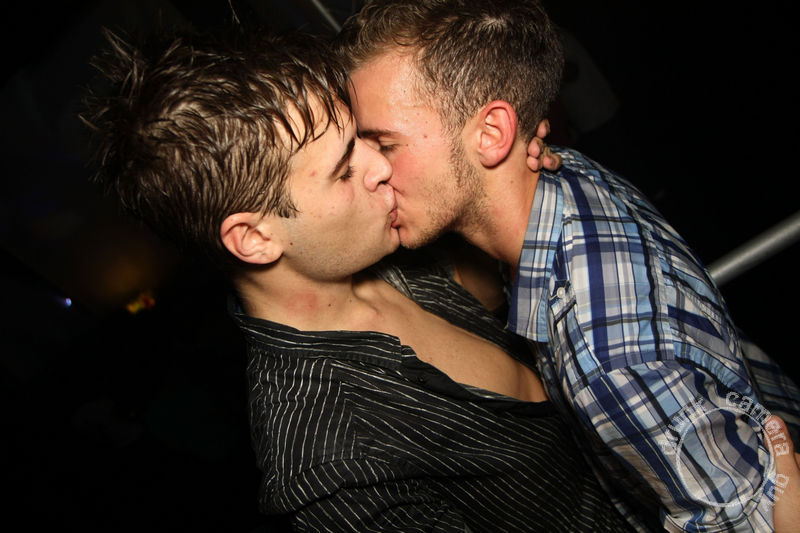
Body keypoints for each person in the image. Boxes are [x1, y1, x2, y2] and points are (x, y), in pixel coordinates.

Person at [81, 28, 635, 531]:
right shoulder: (330, 463)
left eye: (363, 138)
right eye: (344, 169)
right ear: (253, 238)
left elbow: (488, 304)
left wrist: (502, 177)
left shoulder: (373, 251)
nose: (381, 165)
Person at [335, 0, 800, 531]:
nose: (369, 170)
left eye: (384, 143)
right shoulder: (559, 175)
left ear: (492, 134)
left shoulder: (607, 352)